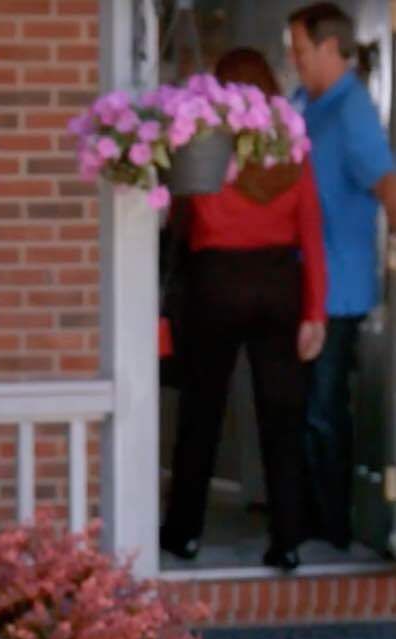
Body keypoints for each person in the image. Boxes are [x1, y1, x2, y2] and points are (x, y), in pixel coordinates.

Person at [160, 48, 328, 572]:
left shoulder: (204, 152)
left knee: (202, 412)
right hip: (279, 284)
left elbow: (180, 223)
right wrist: (315, 313)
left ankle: (184, 533)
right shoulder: (293, 154)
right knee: (281, 417)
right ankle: (287, 541)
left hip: (216, 284)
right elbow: (312, 237)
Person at [288, 3, 396, 551]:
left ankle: (333, 530)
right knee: (306, 406)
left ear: (331, 49)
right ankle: (305, 517)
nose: (294, 60)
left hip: (339, 287)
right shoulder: (305, 101)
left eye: (301, 51)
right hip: (302, 280)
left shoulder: (352, 110)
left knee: (323, 410)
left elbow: (389, 188)